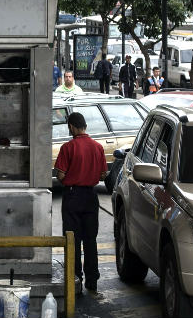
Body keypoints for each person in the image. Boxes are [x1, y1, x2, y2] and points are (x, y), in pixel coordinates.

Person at [54, 112, 108, 295]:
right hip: (91, 197)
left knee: (72, 241)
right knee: (90, 240)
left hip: (72, 197)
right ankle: (92, 281)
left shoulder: (67, 148)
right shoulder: (98, 147)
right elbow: (103, 175)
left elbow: (60, 175)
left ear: (71, 126)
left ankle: (75, 279)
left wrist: (72, 177)